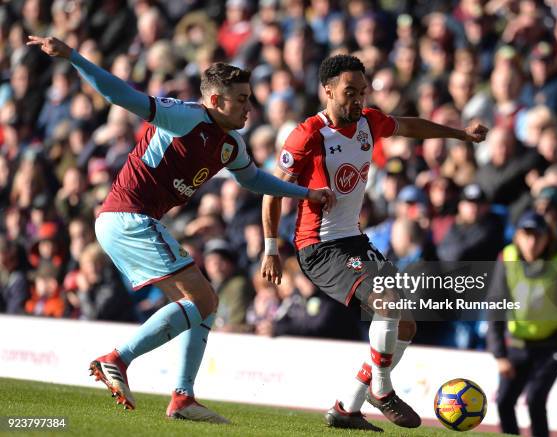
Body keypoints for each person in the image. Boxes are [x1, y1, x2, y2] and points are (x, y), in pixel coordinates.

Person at [27, 35, 335, 422]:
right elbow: (122, 94)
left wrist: (306, 192)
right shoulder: (187, 116)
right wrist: (73, 56)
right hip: (128, 216)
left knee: (199, 307)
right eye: (241, 99)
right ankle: (117, 360)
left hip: (133, 221)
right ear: (216, 101)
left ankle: (183, 397)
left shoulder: (231, 145)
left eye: (250, 99)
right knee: (204, 300)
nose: (248, 107)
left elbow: (255, 181)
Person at [261, 54, 488, 431]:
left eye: (362, 92)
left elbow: (410, 127)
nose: (358, 100)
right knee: (388, 303)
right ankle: (381, 390)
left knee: (405, 326)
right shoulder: (307, 135)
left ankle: (347, 407)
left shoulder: (369, 122)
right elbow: (271, 192)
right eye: (350, 92)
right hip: (319, 247)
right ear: (328, 91)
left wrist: (459, 134)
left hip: (353, 239)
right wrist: (271, 247)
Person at [487, 211, 557, 437]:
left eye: (538, 236)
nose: (532, 242)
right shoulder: (507, 259)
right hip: (518, 344)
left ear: (548, 237)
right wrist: (499, 355)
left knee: (535, 399)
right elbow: (495, 308)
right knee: (505, 401)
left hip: (553, 344)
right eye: (527, 235)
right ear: (517, 236)